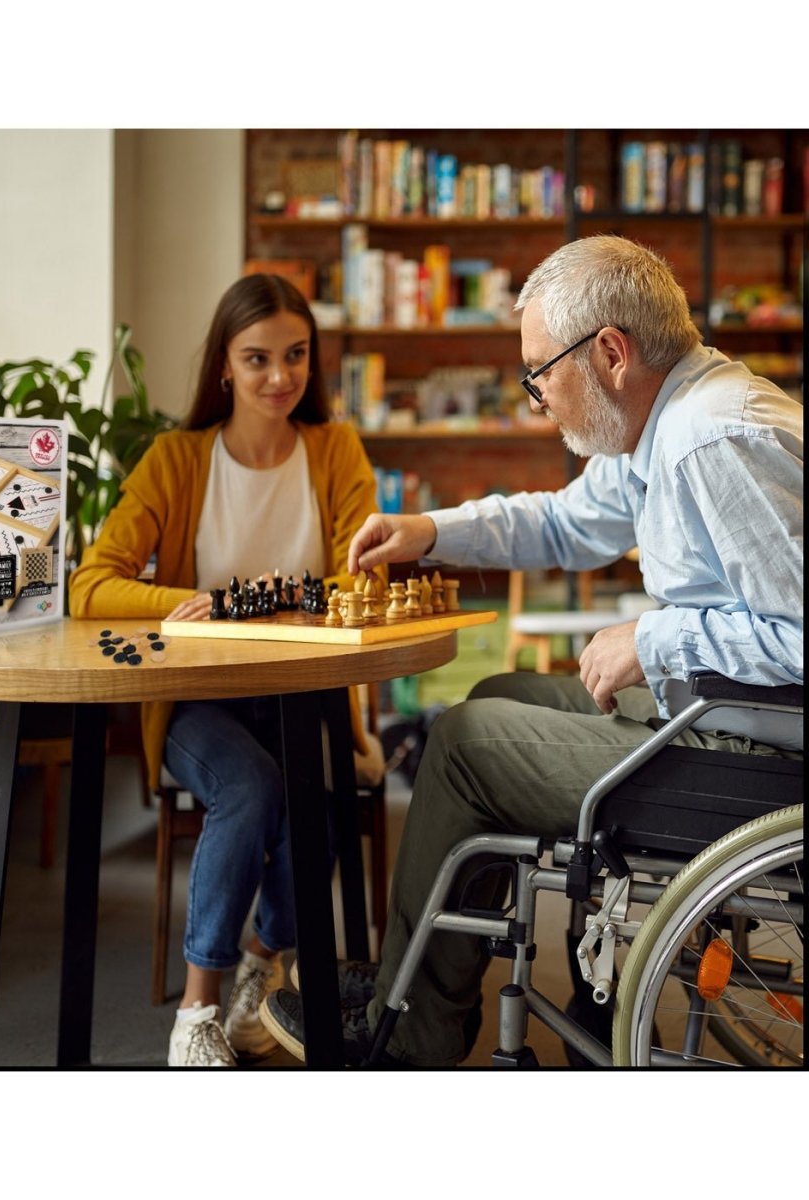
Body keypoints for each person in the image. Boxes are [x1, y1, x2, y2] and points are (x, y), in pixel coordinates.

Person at [258, 234, 804, 1067]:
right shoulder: (664, 417)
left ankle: (412, 1036)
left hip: (754, 756)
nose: (538, 395)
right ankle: (417, 973)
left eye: (540, 371)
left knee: (462, 746)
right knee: (493, 698)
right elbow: (564, 522)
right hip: (720, 707)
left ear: (610, 353)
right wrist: (430, 532)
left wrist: (653, 636)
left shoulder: (709, 439)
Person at [68, 273, 381, 1067]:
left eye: (296, 356)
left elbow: (365, 580)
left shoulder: (334, 449)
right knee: (249, 788)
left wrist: (263, 603)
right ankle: (197, 1012)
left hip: (300, 695)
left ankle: (261, 967)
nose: (280, 377)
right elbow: (90, 583)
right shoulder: (176, 459)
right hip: (197, 701)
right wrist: (192, 601)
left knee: (319, 790)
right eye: (257, 359)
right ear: (223, 367)